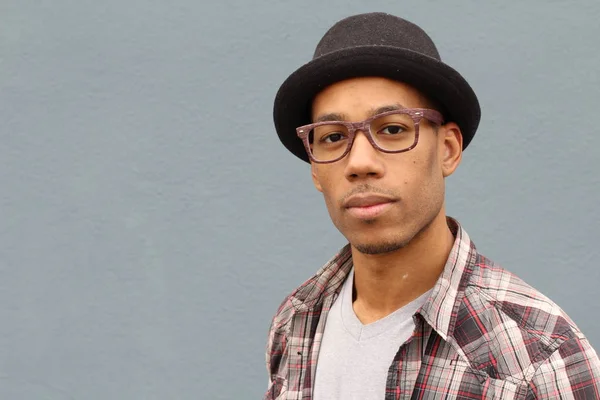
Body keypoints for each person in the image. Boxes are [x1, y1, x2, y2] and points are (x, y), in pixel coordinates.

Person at [264, 12, 600, 400]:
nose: (359, 163)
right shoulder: (297, 320)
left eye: (392, 129)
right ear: (315, 171)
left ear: (448, 149)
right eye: (333, 137)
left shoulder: (537, 358)